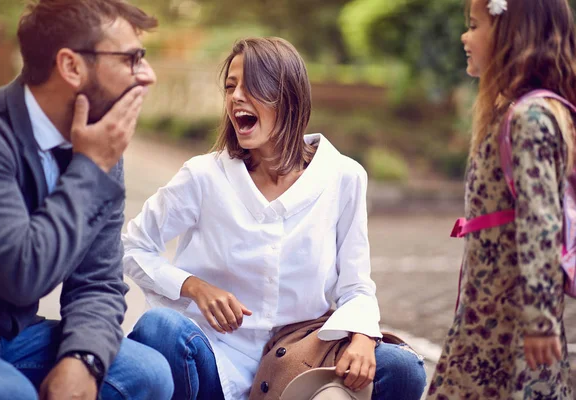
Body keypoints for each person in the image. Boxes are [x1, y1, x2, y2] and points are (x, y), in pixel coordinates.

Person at [123, 37, 426, 400]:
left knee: (402, 368)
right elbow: (133, 246)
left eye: (250, 87)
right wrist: (193, 286)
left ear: (287, 96)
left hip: (300, 358)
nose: (235, 97)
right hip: (212, 356)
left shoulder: (343, 177)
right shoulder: (203, 176)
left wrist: (363, 336)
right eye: (230, 87)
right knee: (160, 327)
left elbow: (356, 286)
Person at [0, 1, 174, 399]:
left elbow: (98, 282)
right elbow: (20, 274)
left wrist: (84, 359)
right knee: (10, 393)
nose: (147, 76)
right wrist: (89, 166)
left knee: (149, 373)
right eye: (132, 58)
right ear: (71, 67)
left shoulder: (96, 145)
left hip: (14, 338)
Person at [427, 0, 576, 398]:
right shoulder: (511, 113)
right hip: (484, 315)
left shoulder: (531, 119)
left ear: (511, 35)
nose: (465, 36)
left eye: (474, 26)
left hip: (508, 323)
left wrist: (540, 320)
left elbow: (541, 222)